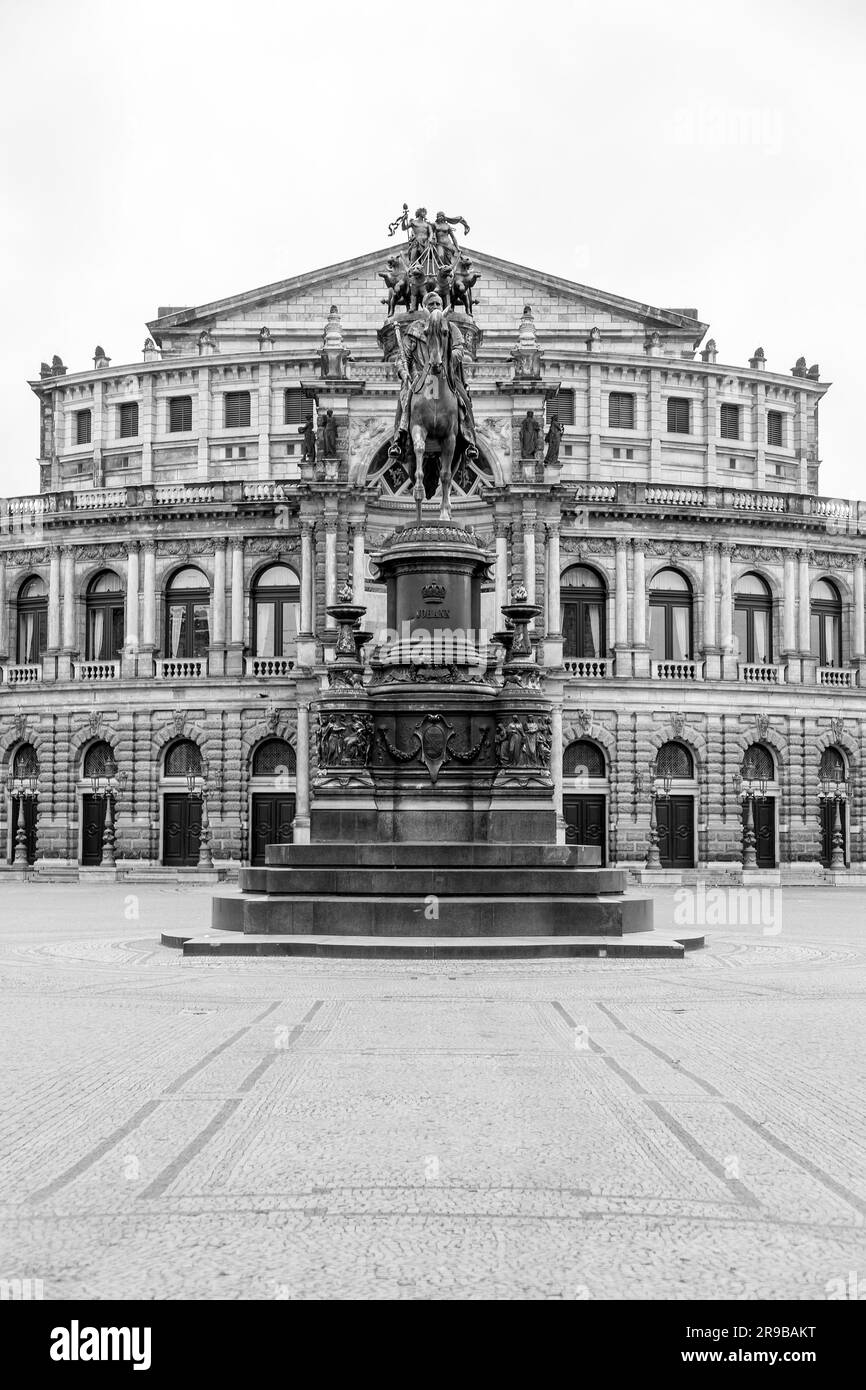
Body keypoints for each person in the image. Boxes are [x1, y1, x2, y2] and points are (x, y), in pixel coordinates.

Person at [389, 291, 478, 463]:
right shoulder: (414, 329)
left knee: (464, 399)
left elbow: (460, 350)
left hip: (445, 373)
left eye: (438, 304)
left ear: (442, 306)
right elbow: (403, 357)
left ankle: (469, 440)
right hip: (421, 376)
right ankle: (398, 439)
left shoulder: (451, 328)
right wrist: (404, 372)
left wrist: (445, 360)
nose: (435, 307)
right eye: (431, 304)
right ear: (424, 308)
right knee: (405, 399)